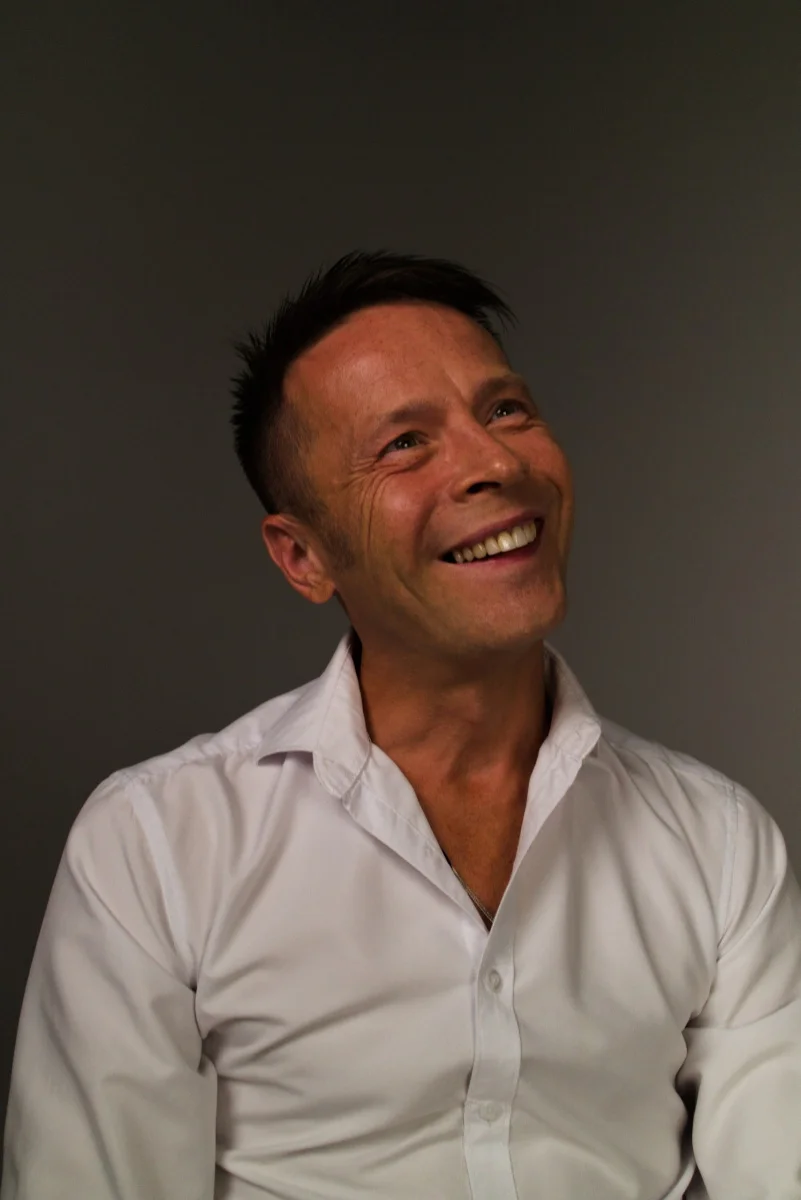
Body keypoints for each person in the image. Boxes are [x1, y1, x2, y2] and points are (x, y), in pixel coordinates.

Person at [3, 251, 800, 1200]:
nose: (496, 464)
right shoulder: (156, 843)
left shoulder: (717, 841)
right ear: (302, 557)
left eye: (506, 409)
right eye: (405, 444)